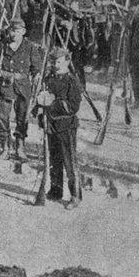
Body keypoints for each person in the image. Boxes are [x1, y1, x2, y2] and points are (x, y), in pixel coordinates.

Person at [36, 47, 83, 209]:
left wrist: (52, 103)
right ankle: (56, 190)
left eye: (58, 62)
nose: (55, 65)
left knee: (69, 161)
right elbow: (41, 101)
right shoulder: (48, 78)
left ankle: (76, 195)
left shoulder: (72, 81)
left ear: (67, 62)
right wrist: (40, 106)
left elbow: (74, 106)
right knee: (54, 159)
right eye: (53, 62)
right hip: (51, 125)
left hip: (66, 126)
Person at [0, 20, 44, 160]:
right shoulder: (3, 45)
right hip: (5, 86)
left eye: (18, 31)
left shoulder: (30, 47)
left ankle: (20, 148)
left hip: (22, 87)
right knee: (2, 118)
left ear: (23, 31)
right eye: (12, 31)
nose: (14, 34)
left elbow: (36, 68)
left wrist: (37, 79)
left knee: (22, 119)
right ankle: (5, 148)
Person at [54, 0, 96, 87]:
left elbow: (92, 13)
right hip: (61, 34)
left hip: (77, 36)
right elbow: (53, 14)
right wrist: (62, 21)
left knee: (76, 63)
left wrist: (78, 12)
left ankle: (80, 88)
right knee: (61, 61)